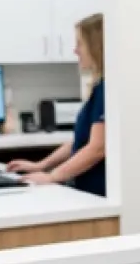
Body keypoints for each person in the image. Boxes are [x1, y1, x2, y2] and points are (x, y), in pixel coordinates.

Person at [7, 13, 107, 197]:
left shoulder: (107, 89)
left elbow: (97, 148)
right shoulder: (99, 87)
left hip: (97, 193)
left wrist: (53, 176)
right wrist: (42, 165)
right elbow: (80, 141)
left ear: (96, 46)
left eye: (80, 43)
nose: (75, 50)